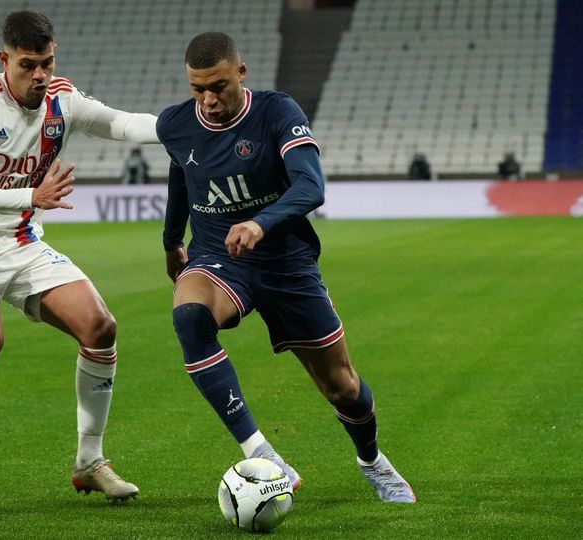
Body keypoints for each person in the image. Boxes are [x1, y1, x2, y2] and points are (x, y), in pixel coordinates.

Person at [0, 10, 159, 508]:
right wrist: (31, 195)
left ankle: (90, 462)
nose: (40, 75)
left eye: (46, 62)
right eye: (29, 65)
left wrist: (187, 124)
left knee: (100, 327)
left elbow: (123, 124)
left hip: (20, 242)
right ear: (5, 60)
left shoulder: (61, 100)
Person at [156, 32, 415, 503]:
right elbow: (180, 174)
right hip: (218, 257)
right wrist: (173, 241)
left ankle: (372, 460)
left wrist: (260, 222)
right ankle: (262, 452)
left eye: (219, 86)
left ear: (241, 73)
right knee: (189, 317)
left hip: (286, 261)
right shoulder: (174, 125)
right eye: (198, 89)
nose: (209, 101)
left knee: (342, 386)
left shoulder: (277, 112)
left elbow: (311, 185)